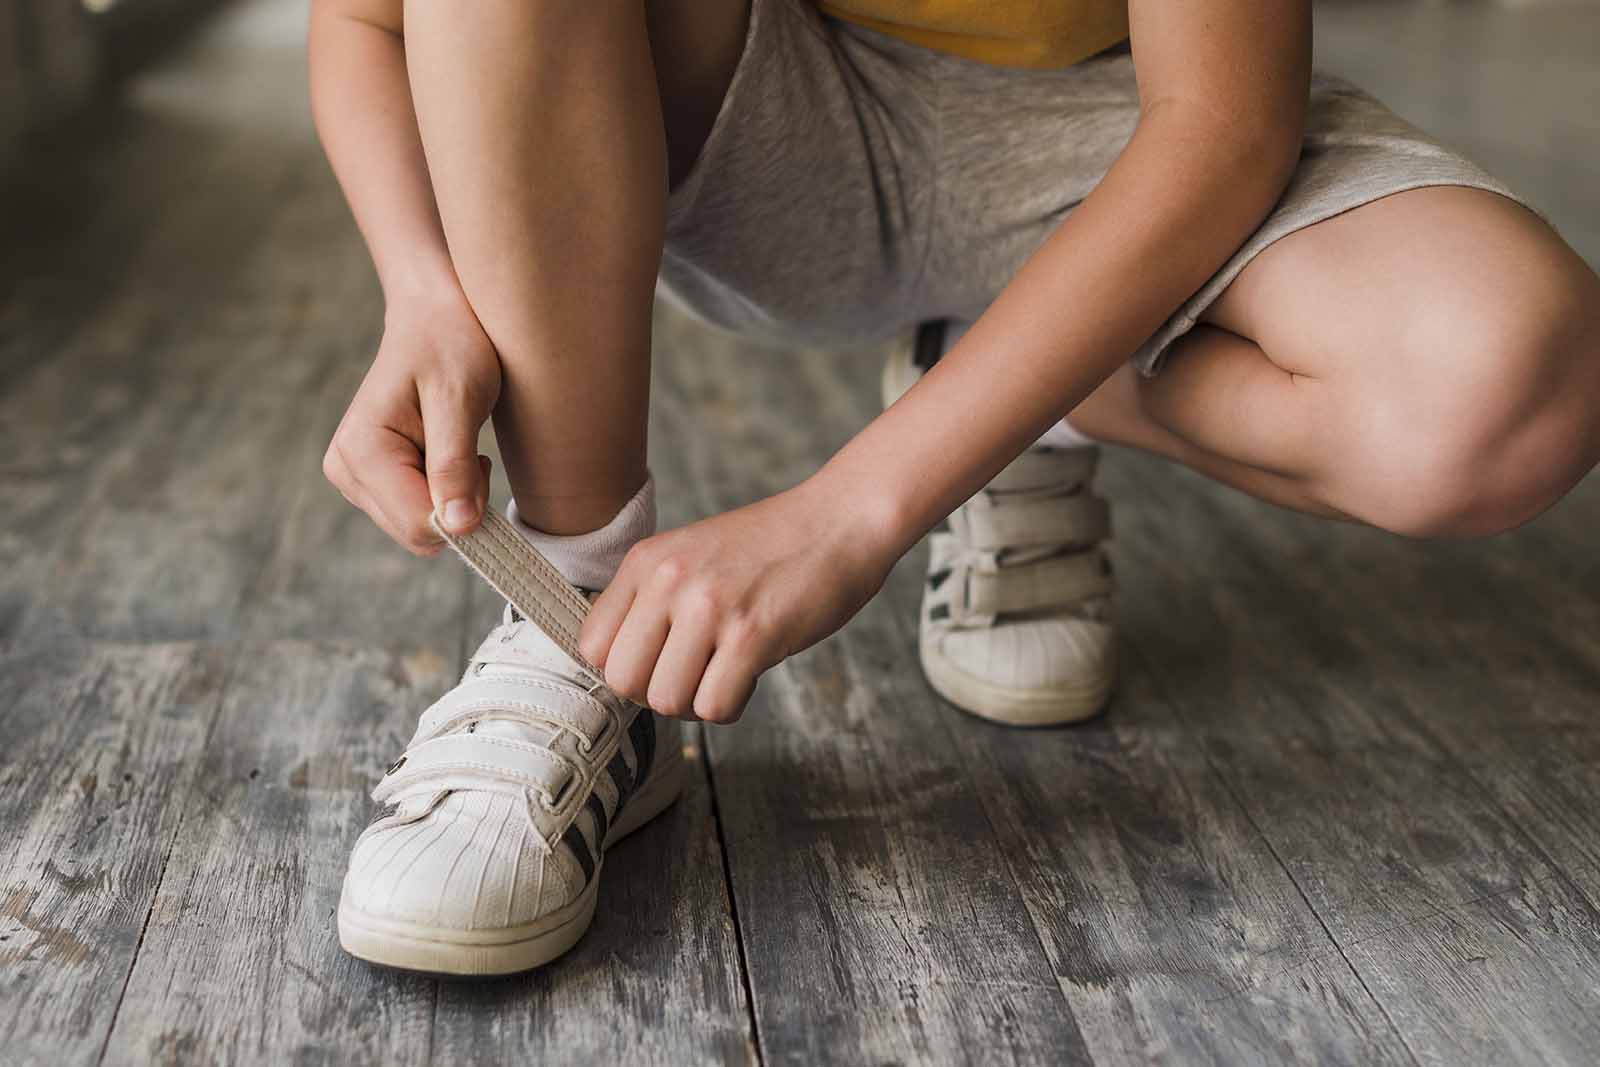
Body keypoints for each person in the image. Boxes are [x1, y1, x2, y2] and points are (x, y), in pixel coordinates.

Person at [309, 0, 1600, 975]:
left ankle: (990, 390)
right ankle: (573, 605)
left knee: (1507, 397)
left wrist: (856, 508)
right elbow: (368, 15)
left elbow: (1221, 122)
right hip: (747, 106)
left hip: (1127, 129)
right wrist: (426, 293)